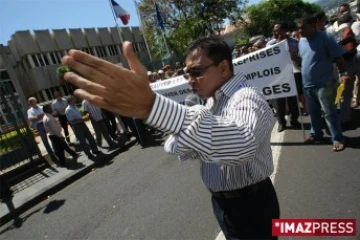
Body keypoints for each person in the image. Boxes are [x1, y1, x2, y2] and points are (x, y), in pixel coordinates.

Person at [61, 36, 280, 239]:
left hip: (251, 205)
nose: (190, 80)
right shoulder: (212, 100)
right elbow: (180, 148)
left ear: (223, 68)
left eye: (196, 71)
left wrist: (153, 107)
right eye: (187, 73)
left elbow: (241, 144)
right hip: (224, 204)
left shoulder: (246, 97)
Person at [293, 15, 350, 151]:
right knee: (313, 112)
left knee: (329, 112)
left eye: (303, 28)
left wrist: (344, 74)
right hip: (308, 85)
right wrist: (295, 58)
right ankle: (316, 134)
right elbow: (304, 61)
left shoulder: (325, 37)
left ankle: (338, 138)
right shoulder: (301, 41)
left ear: (313, 25)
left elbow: (338, 57)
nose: (300, 31)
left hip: (325, 83)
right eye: (298, 29)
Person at [267, 23, 302, 132]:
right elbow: (267, 62)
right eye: (275, 30)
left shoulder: (294, 43)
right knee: (279, 102)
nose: (276, 33)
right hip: (277, 77)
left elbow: (300, 60)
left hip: (292, 74)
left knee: (293, 101)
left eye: (279, 30)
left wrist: (294, 56)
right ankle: (281, 122)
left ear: (285, 30)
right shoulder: (270, 44)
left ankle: (294, 119)